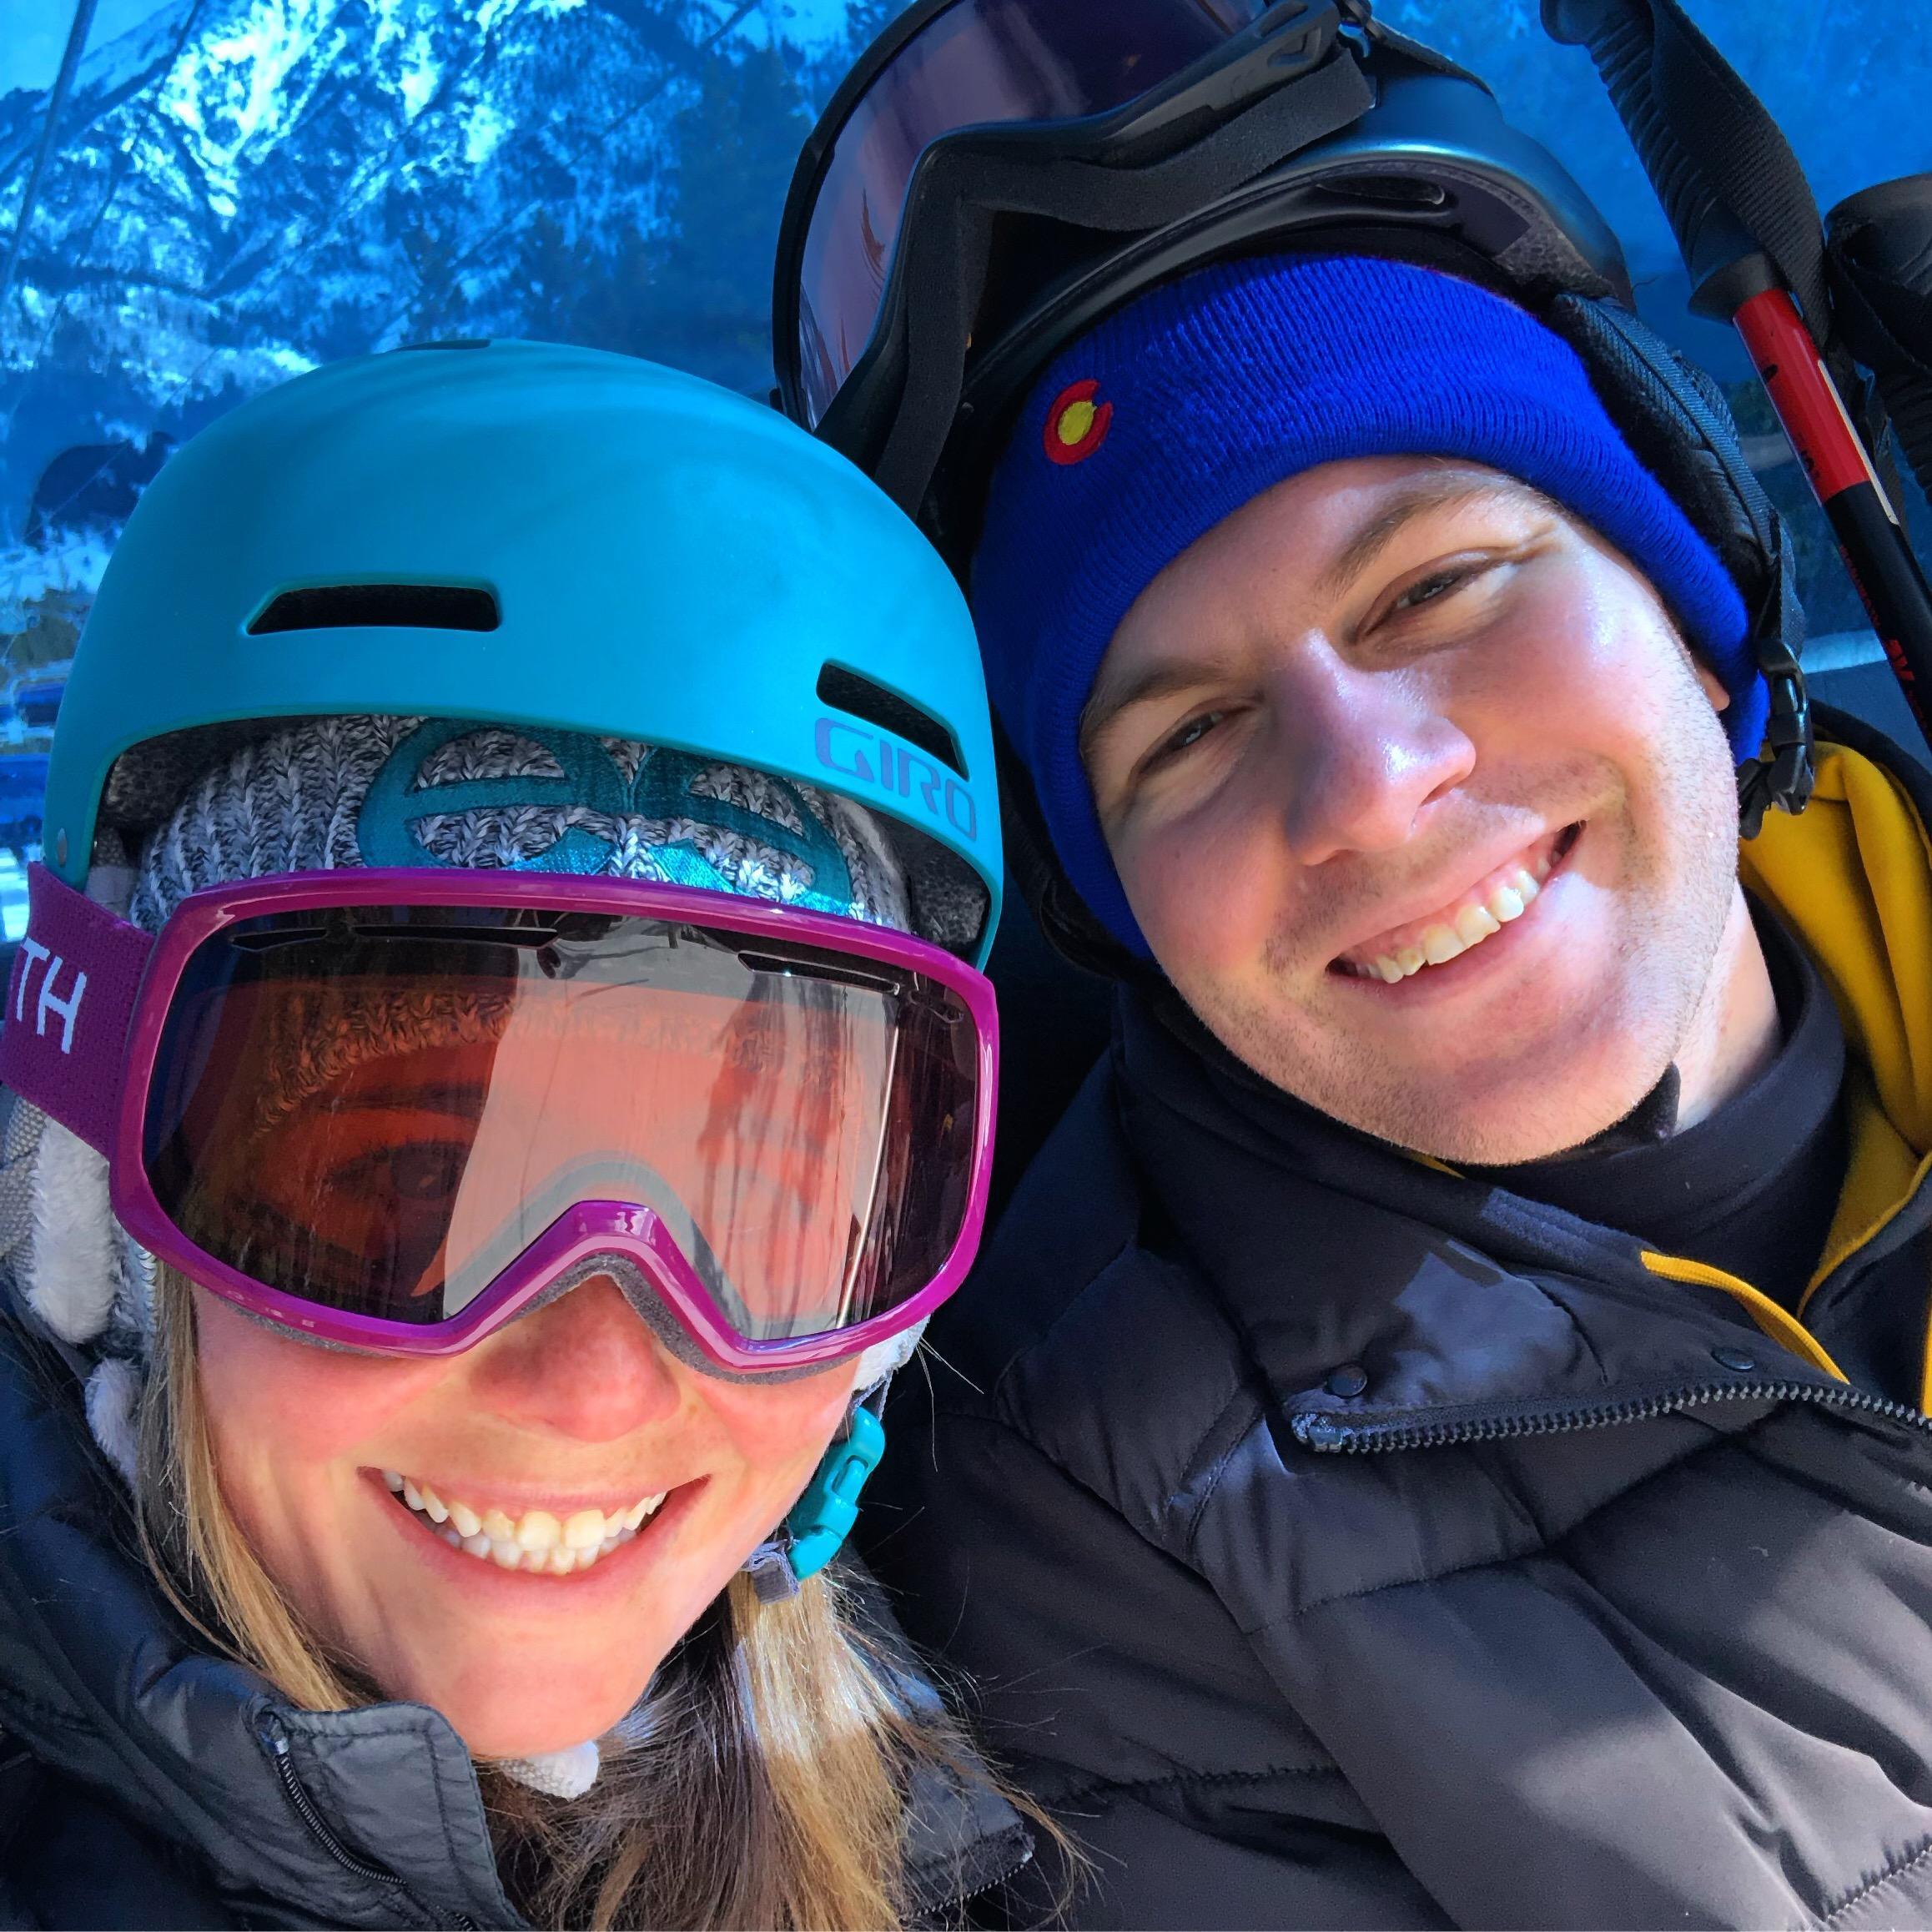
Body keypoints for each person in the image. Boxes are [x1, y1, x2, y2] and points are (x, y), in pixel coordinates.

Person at [775, 5, 1932, 1925]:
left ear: (1695, 581)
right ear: (1110, 905)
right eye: (1185, 735)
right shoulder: (1099, 1539)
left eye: (1436, 586)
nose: (1370, 793)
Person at [0, 339, 1033, 1929]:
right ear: (98, 1219)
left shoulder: (928, 1813)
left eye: (765, 1204)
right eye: (410, 1188)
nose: (596, 1384)